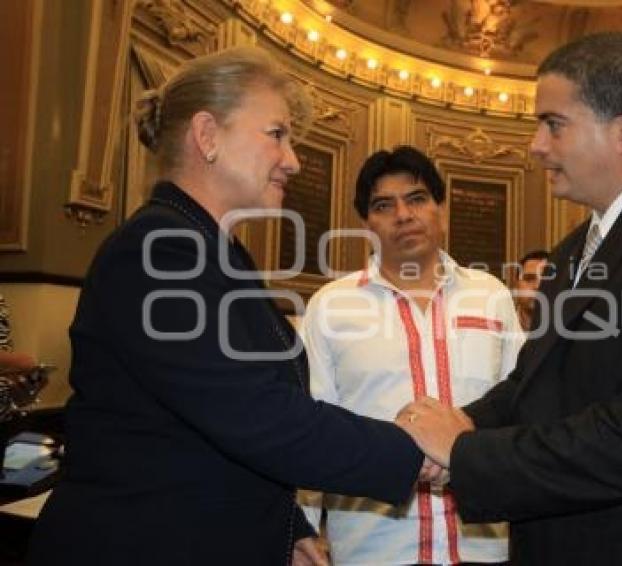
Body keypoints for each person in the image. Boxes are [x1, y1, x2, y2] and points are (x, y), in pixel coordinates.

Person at [29, 47, 422, 566]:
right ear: (208, 136)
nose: (294, 160)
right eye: (277, 134)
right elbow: (260, 417)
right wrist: (421, 451)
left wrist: (288, 526)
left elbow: (219, 436)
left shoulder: (211, 250)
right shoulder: (158, 252)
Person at [398, 32, 622, 565]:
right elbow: (532, 386)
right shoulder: (573, 250)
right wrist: (456, 426)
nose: (535, 145)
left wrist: (463, 451)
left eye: (554, 123)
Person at [299, 146, 522, 565]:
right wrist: (302, 531)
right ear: (367, 223)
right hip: (375, 551)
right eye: (384, 205)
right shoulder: (331, 306)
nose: (403, 215)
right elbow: (313, 430)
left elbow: (521, 408)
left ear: (441, 208)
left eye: (417, 198)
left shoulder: (490, 295)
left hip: (485, 547)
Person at [513, 249, 549, 332]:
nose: (537, 286)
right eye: (529, 279)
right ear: (516, 285)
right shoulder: (501, 324)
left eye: (545, 280)